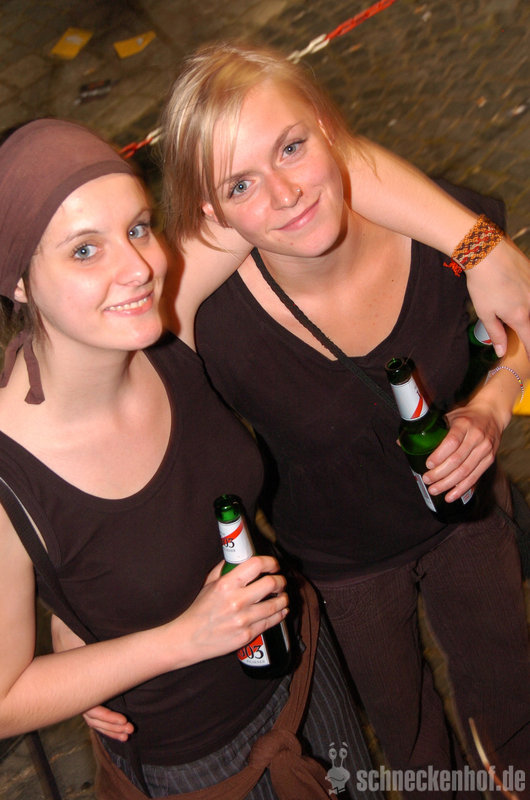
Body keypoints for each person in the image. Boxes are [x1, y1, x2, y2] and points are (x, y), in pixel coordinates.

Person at [45, 45, 530, 795]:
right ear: (213, 214)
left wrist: (493, 405)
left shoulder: (444, 230)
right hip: (343, 569)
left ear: (328, 131)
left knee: (512, 700)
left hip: (468, 522)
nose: (285, 193)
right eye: (240, 184)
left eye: (292, 147)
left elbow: (515, 328)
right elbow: (107, 429)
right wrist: (76, 615)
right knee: (411, 743)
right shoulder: (212, 321)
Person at [0, 118, 389, 800]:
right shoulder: (11, 477)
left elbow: (317, 182)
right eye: (84, 250)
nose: (138, 267)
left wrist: (482, 250)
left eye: (138, 227)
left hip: (304, 673)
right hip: (200, 763)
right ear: (20, 282)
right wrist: (181, 638)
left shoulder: (163, 326)